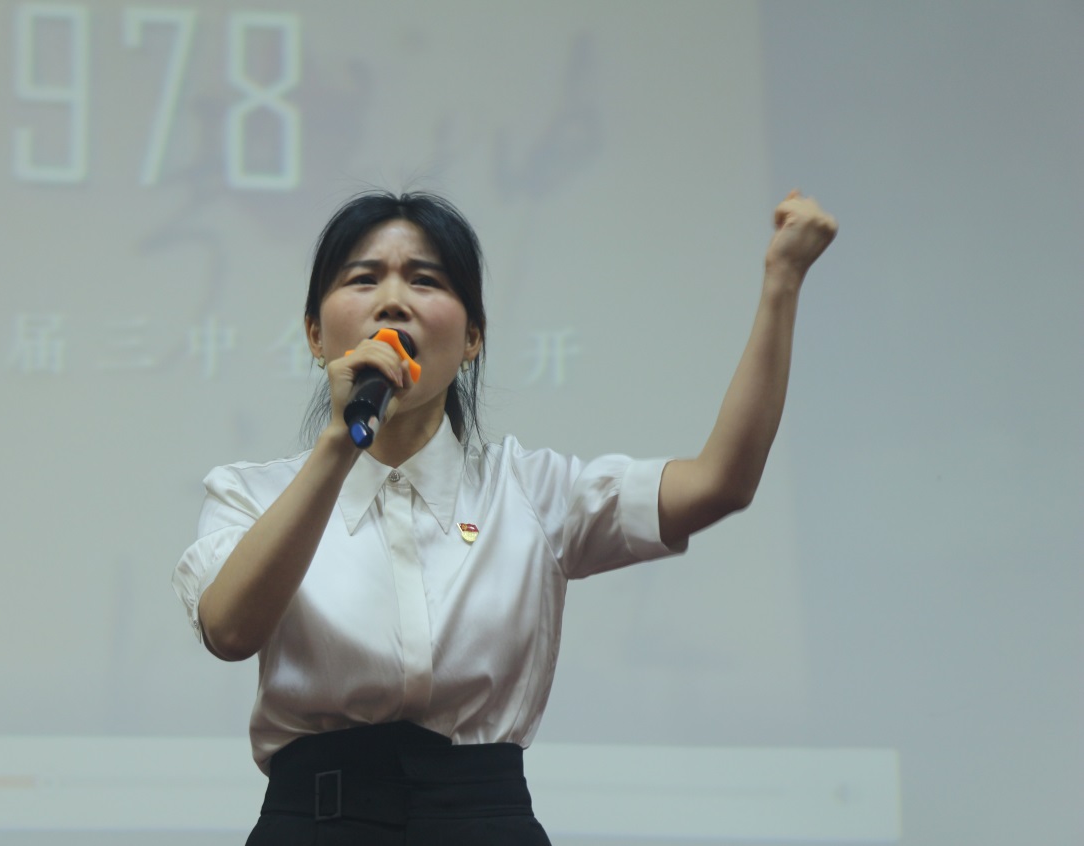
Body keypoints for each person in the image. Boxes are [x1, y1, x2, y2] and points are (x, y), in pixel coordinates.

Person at [173, 189, 837, 844]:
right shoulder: (249, 493)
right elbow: (229, 631)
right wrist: (339, 443)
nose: (393, 300)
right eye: (364, 279)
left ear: (472, 338)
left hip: (483, 820)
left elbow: (720, 483)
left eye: (425, 280)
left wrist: (782, 280)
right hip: (313, 823)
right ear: (315, 335)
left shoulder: (534, 490)